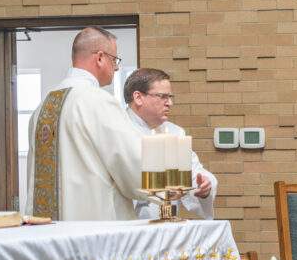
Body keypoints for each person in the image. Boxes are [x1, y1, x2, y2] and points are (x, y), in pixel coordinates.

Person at [25, 26, 145, 220]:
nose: (116, 67)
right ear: (100, 58)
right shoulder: (98, 101)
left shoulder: (43, 106)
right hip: (92, 233)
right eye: (114, 60)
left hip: (46, 232)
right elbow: (133, 167)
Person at [124, 68, 217, 220]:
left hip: (167, 225)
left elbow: (193, 172)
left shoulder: (175, 133)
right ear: (138, 97)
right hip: (128, 224)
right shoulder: (117, 130)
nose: (170, 103)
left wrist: (204, 186)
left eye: (170, 97)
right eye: (163, 97)